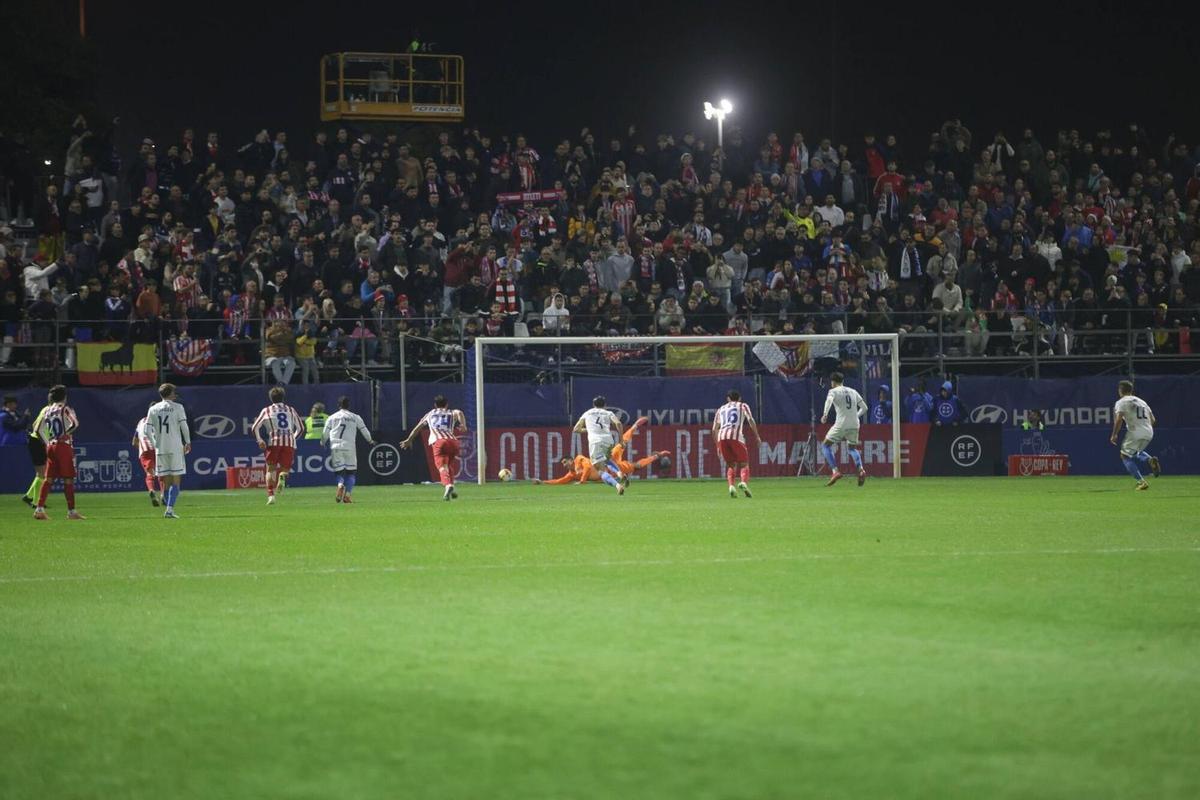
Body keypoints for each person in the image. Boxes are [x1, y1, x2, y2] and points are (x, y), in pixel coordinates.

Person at [32, 385, 85, 520]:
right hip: (63, 446)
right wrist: (64, 434)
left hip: (51, 446)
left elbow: (37, 430)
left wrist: (48, 441)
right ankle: (71, 512)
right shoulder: (65, 409)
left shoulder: (47, 410)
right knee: (68, 479)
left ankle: (39, 509)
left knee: (48, 479)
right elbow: (75, 424)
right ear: (64, 396)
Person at [400, 394, 467, 501]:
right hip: (454, 442)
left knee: (442, 467)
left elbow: (417, 428)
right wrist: (463, 425)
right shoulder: (450, 412)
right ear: (447, 404)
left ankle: (448, 486)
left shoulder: (430, 414)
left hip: (439, 442)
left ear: (435, 405)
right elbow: (459, 412)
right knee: (448, 466)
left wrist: (409, 440)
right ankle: (452, 489)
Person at [252, 386, 306, 505]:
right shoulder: (291, 410)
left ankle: (271, 495)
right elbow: (301, 428)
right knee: (285, 469)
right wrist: (292, 438)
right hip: (289, 442)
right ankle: (282, 476)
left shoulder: (267, 410)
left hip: (274, 442)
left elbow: (254, 427)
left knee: (270, 469)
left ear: (271, 398)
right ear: (283, 397)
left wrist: (260, 440)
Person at [145, 383, 191, 519]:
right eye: (173, 391)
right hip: (175, 447)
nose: (175, 393)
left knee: (166, 480)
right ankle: (169, 510)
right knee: (176, 480)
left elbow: (147, 430)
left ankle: (168, 507)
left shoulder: (153, 409)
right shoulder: (178, 407)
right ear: (169, 393)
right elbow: (184, 425)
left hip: (161, 448)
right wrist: (187, 442)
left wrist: (155, 444)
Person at [321, 395, 377, 504]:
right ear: (348, 405)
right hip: (350, 447)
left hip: (336, 446)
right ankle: (347, 496)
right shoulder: (355, 417)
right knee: (351, 473)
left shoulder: (332, 417)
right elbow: (364, 430)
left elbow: (325, 433)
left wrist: (322, 442)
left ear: (338, 405)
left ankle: (340, 485)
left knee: (339, 473)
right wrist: (370, 441)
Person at [1110, 380, 1160, 491]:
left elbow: (1118, 420)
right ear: (1131, 390)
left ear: (1120, 390)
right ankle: (1149, 460)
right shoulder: (1142, 402)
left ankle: (1141, 482)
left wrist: (1114, 434)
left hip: (1135, 431)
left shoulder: (1121, 402)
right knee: (1135, 452)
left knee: (1125, 456)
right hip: (1149, 431)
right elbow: (1153, 420)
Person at [820, 371, 868, 487]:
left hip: (841, 423)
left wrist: (825, 414)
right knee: (852, 448)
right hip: (855, 423)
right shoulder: (853, 391)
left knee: (825, 445)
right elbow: (865, 408)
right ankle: (861, 470)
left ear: (833, 382)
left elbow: (829, 401)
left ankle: (835, 471)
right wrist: (855, 416)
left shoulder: (833, 391)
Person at [571, 395, 626, 494]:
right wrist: (621, 441)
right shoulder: (608, 412)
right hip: (608, 440)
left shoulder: (587, 413)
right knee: (607, 460)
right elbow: (618, 424)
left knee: (600, 470)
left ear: (593, 405)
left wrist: (589, 429)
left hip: (595, 442)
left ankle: (618, 486)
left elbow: (576, 429)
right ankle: (619, 473)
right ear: (605, 405)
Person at [713, 389, 759, 498]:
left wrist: (717, 446)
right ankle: (743, 482)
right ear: (739, 398)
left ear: (728, 399)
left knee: (731, 464)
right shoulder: (742, 406)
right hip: (736, 436)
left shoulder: (721, 409)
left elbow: (714, 429)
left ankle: (731, 486)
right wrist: (757, 436)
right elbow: (751, 420)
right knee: (744, 463)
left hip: (722, 436)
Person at [609, 416, 671, 485]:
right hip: (609, 463)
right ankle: (635, 426)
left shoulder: (616, 465)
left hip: (611, 460)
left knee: (623, 443)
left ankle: (635, 425)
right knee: (636, 464)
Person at [19, 396, 49, 508]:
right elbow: (36, 427)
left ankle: (29, 496)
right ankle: (36, 502)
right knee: (41, 473)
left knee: (41, 473)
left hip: (37, 441)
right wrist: (46, 442)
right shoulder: (49, 411)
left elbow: (34, 424)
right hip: (37, 442)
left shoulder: (45, 409)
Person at [132, 414, 163, 507]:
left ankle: (151, 490)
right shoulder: (160, 420)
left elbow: (134, 442)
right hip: (157, 449)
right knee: (162, 473)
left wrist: (142, 449)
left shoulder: (141, 422)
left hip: (145, 450)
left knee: (149, 474)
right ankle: (163, 495)